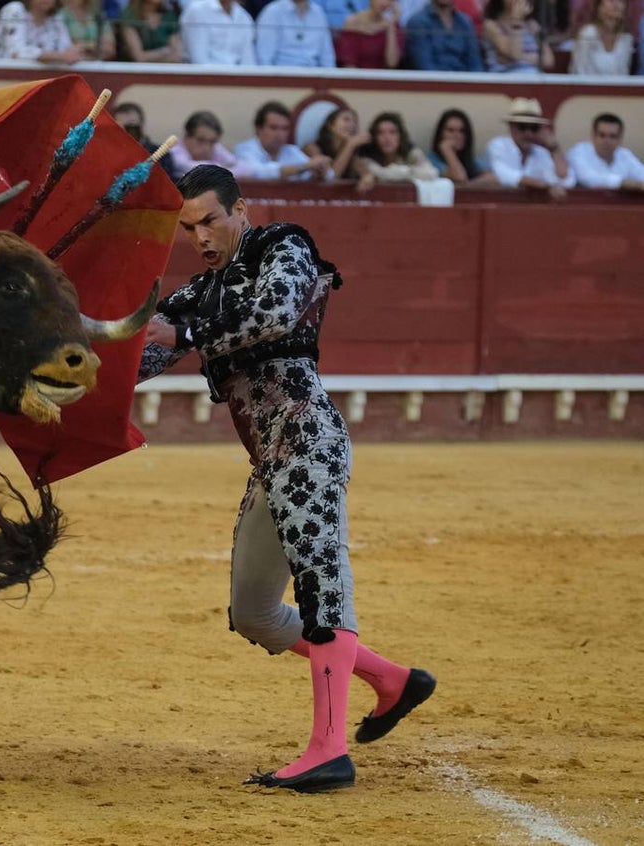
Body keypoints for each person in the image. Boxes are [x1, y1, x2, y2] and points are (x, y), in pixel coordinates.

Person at [138, 163, 436, 793]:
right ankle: (390, 680)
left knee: (320, 581)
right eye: (189, 228)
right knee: (253, 614)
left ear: (240, 209)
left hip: (307, 439)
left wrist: (186, 330)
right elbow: (145, 354)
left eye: (211, 220)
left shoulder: (285, 246)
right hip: (266, 462)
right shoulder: (199, 291)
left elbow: (273, 312)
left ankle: (328, 749)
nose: (201, 237)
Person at [486, 96, 575, 200]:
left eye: (534, 128)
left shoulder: (541, 152)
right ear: (511, 127)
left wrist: (554, 148)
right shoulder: (499, 145)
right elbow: (503, 174)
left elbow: (566, 180)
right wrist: (545, 186)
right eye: (522, 127)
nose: (528, 133)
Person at [233, 101, 332, 181]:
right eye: (274, 128)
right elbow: (255, 172)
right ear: (258, 129)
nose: (280, 134)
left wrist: (319, 171)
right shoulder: (244, 149)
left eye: (285, 128)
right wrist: (303, 167)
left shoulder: (292, 151)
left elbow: (329, 175)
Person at [352, 111, 438, 192]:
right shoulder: (365, 156)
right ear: (374, 137)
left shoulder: (410, 152)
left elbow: (431, 173)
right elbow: (382, 175)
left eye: (392, 132)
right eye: (380, 133)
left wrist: (403, 171)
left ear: (400, 136)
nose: (387, 138)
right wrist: (410, 172)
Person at [0, 0, 85, 61]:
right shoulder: (14, 9)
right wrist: (58, 56)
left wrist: (76, 52)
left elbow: (66, 51)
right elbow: (16, 53)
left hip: (33, 80)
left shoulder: (55, 18)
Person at [566, 112, 644, 191]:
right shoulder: (579, 152)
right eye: (602, 135)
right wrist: (622, 183)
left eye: (612, 136)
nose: (607, 141)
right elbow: (588, 179)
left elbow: (642, 174)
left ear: (620, 139)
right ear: (593, 136)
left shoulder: (624, 154)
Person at [404, 0, 484, 70]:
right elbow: (424, 65)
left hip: (465, 82)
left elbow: (475, 64)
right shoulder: (418, 23)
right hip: (433, 84)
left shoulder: (465, 22)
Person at [170, 110, 250, 180]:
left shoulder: (215, 147)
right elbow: (186, 167)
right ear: (186, 137)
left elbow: (244, 169)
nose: (206, 147)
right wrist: (221, 169)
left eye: (212, 142)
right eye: (200, 140)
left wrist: (217, 169)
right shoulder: (175, 151)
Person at [255, 0, 336, 66]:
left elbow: (327, 57)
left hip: (314, 76)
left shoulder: (318, 12)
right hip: (283, 76)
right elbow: (264, 58)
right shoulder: (272, 12)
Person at [480, 0, 554, 73]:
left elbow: (549, 61)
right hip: (506, 79)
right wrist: (516, 20)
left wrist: (522, 57)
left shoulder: (533, 25)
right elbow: (514, 53)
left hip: (533, 77)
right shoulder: (491, 25)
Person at [427, 107, 495, 184]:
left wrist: (469, 184)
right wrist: (447, 149)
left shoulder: (470, 160)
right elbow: (459, 177)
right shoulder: (431, 160)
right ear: (441, 134)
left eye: (461, 131)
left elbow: (493, 178)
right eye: (451, 130)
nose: (457, 135)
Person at [113, 101, 177, 179]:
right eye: (121, 127)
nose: (127, 131)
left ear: (141, 124)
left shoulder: (161, 155)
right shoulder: (108, 155)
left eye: (131, 125)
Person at [179, 0, 256, 65]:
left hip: (237, 78)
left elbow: (248, 60)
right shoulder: (197, 11)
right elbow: (198, 60)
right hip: (205, 79)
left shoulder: (244, 16)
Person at [568, 0, 634, 76]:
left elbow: (624, 73)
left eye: (621, 1)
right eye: (611, 1)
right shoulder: (588, 34)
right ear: (599, 6)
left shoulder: (626, 38)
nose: (616, 4)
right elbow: (578, 71)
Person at [302, 105, 367, 180]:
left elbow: (365, 171)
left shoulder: (352, 153)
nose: (352, 125)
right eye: (346, 120)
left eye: (355, 122)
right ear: (331, 125)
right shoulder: (312, 147)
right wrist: (350, 145)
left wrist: (367, 175)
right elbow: (330, 177)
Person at [336, 0, 404, 68]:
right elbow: (348, 62)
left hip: (381, 75)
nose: (384, 3)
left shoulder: (392, 25)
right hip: (356, 75)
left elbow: (392, 63)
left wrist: (391, 25)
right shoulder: (353, 22)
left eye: (389, 0)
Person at [116, 0, 182, 62]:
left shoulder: (169, 16)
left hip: (166, 70)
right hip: (135, 71)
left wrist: (150, 56)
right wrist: (164, 52)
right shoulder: (129, 15)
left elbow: (176, 56)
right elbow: (139, 57)